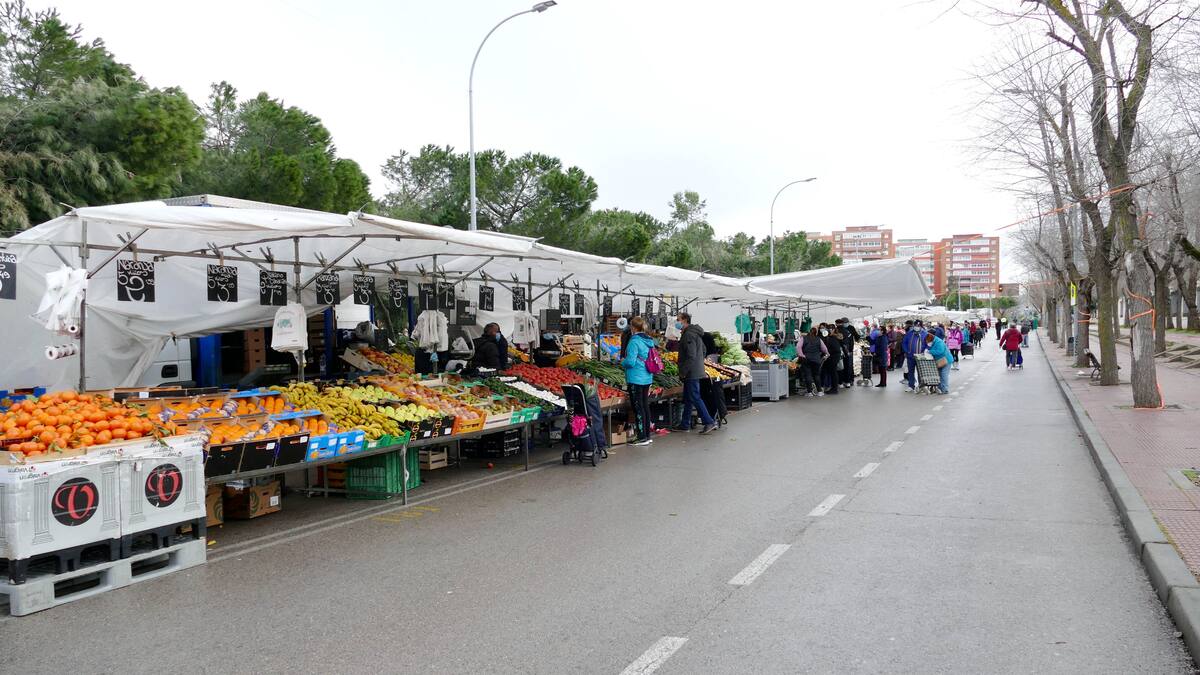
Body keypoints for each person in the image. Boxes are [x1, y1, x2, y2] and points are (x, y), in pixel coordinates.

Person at [674, 312, 718, 434]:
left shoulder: (688, 335)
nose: (676, 322)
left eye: (678, 320)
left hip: (691, 371)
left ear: (684, 320)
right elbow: (703, 349)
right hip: (696, 368)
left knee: (694, 396)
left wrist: (683, 371)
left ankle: (708, 421)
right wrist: (700, 361)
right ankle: (685, 424)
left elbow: (691, 355)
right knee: (688, 398)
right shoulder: (695, 333)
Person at [620, 316, 655, 446]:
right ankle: (647, 435)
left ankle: (641, 437)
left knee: (638, 407)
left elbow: (630, 361)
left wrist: (623, 361)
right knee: (645, 406)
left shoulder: (634, 341)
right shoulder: (648, 340)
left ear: (633, 327)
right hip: (647, 377)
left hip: (636, 378)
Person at [800, 327, 828, 396]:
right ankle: (820, 392)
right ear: (816, 333)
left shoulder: (803, 339)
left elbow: (798, 347)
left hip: (806, 359)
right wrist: (827, 353)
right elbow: (824, 348)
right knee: (816, 375)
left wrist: (802, 355)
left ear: (809, 332)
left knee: (808, 375)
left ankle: (809, 392)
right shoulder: (819, 339)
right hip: (816, 359)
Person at [837, 318, 859, 388]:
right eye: (844, 322)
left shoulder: (851, 328)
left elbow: (856, 336)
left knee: (848, 366)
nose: (845, 324)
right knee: (842, 366)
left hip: (849, 350)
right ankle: (844, 380)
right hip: (843, 350)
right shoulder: (839, 329)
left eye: (846, 322)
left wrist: (857, 338)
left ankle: (849, 380)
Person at [902, 321, 923, 392]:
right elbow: (904, 342)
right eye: (915, 325)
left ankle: (921, 385)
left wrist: (925, 351)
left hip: (920, 357)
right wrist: (907, 351)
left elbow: (927, 344)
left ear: (921, 326)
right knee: (910, 371)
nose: (916, 327)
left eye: (918, 325)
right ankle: (911, 385)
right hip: (910, 356)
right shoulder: (909, 333)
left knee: (920, 372)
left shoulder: (924, 334)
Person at [821, 325, 842, 395]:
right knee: (833, 373)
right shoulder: (831, 338)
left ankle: (834, 389)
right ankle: (834, 388)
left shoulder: (833, 338)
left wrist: (827, 353)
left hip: (833, 357)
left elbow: (835, 349)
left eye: (830, 329)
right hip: (833, 357)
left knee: (833, 373)